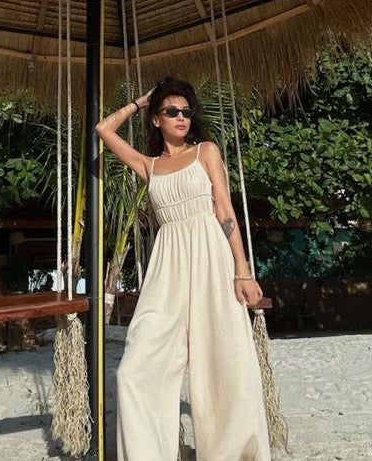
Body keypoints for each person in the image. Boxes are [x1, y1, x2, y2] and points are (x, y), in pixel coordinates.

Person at [95, 76, 271, 460]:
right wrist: (141, 101)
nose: (181, 117)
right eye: (171, 111)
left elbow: (224, 211)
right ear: (156, 119)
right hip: (168, 266)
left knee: (225, 361)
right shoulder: (149, 165)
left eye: (186, 111)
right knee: (135, 369)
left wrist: (242, 270)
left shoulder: (206, 151)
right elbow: (104, 129)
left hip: (212, 258)